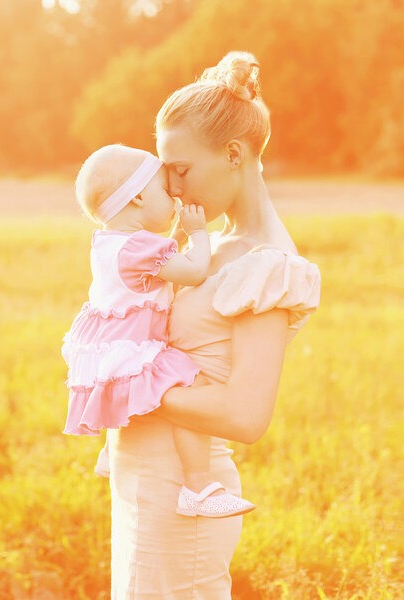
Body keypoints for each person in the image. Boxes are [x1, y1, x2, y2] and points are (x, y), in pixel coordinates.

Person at [106, 50, 322, 598]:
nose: (173, 190)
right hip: (146, 482)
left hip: (187, 497)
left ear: (232, 154)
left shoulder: (267, 264)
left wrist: (127, 386)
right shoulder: (211, 248)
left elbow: (246, 415)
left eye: (181, 169)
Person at [61, 143, 256, 518]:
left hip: (110, 346)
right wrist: (198, 233)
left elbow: (164, 265)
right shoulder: (139, 246)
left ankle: (108, 453)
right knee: (188, 387)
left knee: (128, 384)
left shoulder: (109, 242)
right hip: (135, 345)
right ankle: (198, 485)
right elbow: (193, 271)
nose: (175, 198)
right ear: (137, 198)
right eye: (165, 192)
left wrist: (179, 237)